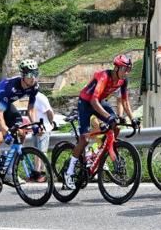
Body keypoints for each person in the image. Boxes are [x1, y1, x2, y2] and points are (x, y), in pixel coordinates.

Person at [63, 54, 136, 189]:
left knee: (116, 126)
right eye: (125, 69)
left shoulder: (123, 81)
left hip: (100, 102)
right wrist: (108, 117)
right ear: (116, 68)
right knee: (84, 140)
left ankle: (100, 153)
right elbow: (93, 101)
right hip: (86, 103)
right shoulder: (104, 76)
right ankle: (69, 171)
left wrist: (133, 119)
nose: (127, 73)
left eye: (128, 70)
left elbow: (125, 101)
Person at [0, 61, 40, 188]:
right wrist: (5, 131)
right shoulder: (12, 87)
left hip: (6, 105)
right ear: (23, 75)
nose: (33, 77)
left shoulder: (34, 87)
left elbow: (30, 109)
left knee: (21, 132)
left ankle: (9, 171)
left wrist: (34, 124)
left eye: (35, 73)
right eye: (30, 74)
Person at [31, 89, 56, 155]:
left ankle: (43, 165)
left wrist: (51, 123)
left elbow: (49, 112)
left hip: (43, 129)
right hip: (36, 129)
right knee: (37, 154)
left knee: (42, 154)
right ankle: (37, 166)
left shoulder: (39, 97)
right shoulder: (32, 97)